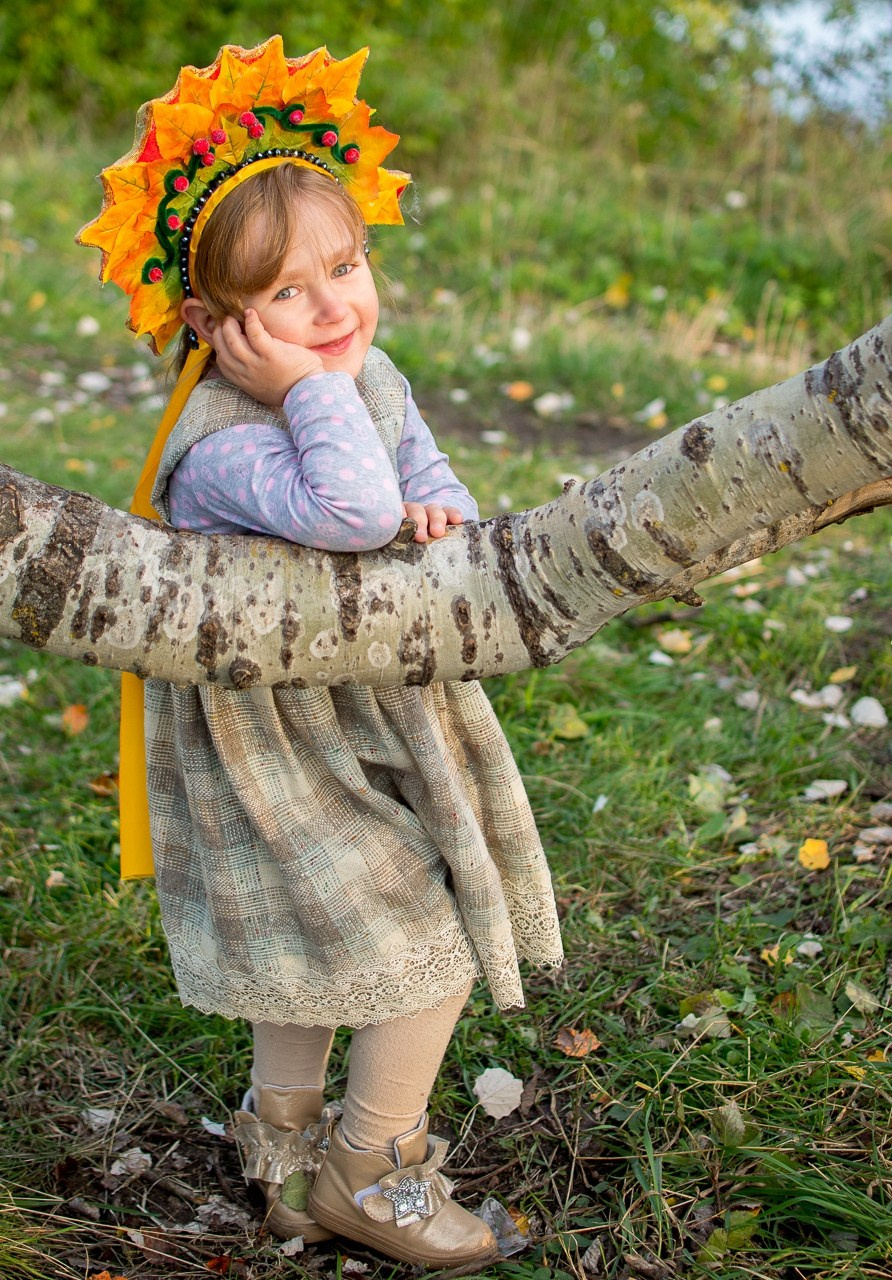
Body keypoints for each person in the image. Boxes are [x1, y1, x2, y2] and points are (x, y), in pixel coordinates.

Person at [78, 36, 564, 1269]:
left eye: (345, 267)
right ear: (211, 322)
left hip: (355, 708)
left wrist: (442, 500)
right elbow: (350, 509)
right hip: (273, 741)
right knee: (422, 940)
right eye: (286, 293)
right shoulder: (222, 441)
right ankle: (369, 1165)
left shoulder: (358, 373)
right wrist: (305, 389)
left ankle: (283, 1150)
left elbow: (411, 464)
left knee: (311, 950)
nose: (333, 308)